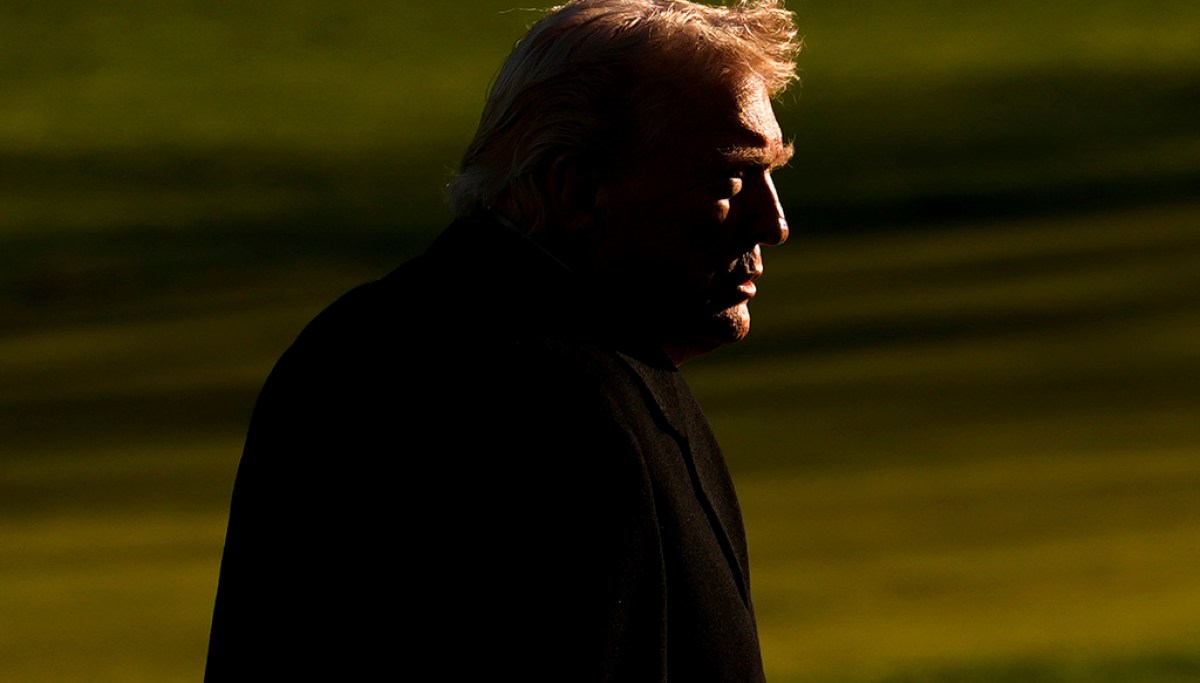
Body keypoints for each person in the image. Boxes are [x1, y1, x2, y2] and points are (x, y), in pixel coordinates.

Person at [205, 0, 799, 680]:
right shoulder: (570, 409)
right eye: (729, 179)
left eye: (772, 173)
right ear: (577, 191)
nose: (774, 222)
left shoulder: (348, 344)